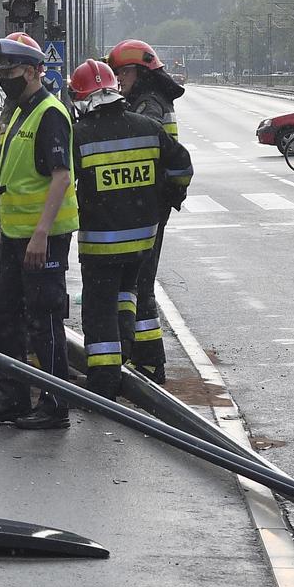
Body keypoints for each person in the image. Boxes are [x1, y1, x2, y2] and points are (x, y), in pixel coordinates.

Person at [0, 32, 78, 430]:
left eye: (11, 71)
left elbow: (61, 177)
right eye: (1, 72)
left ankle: (54, 404)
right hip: (17, 236)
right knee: (7, 317)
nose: (5, 79)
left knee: (44, 320)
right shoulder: (18, 111)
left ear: (34, 71)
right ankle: (12, 396)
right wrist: (6, 229)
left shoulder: (49, 113)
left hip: (42, 238)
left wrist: (41, 234)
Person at [67, 60, 190, 400]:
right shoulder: (147, 127)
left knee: (100, 310)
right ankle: (148, 361)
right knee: (132, 296)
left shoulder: (79, 135)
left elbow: (61, 184)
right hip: (142, 241)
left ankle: (104, 383)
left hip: (101, 245)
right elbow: (182, 166)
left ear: (82, 99)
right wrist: (169, 196)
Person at [106, 38, 187, 383]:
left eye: (122, 73)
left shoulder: (148, 105)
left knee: (140, 282)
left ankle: (150, 362)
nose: (119, 80)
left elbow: (138, 146)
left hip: (147, 203)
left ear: (139, 72)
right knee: (139, 281)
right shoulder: (149, 99)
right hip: (151, 202)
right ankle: (145, 359)